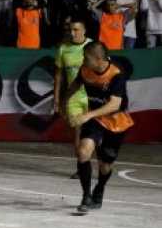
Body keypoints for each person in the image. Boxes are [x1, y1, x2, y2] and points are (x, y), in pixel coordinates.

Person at [65, 41, 134, 213]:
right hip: (95, 120)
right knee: (83, 152)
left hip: (115, 121)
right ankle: (86, 196)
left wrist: (86, 115)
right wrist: (63, 101)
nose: (83, 60)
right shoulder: (85, 70)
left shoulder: (116, 75)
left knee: (105, 165)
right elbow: (75, 84)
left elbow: (114, 105)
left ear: (98, 59)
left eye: (86, 57)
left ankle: (100, 189)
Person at [54, 19, 92, 179]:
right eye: (71, 29)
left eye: (76, 30)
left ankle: (97, 162)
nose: (72, 33)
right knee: (78, 132)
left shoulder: (93, 46)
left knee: (93, 133)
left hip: (92, 95)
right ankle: (81, 168)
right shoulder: (63, 48)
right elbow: (58, 76)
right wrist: (56, 99)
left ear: (84, 31)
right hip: (73, 97)